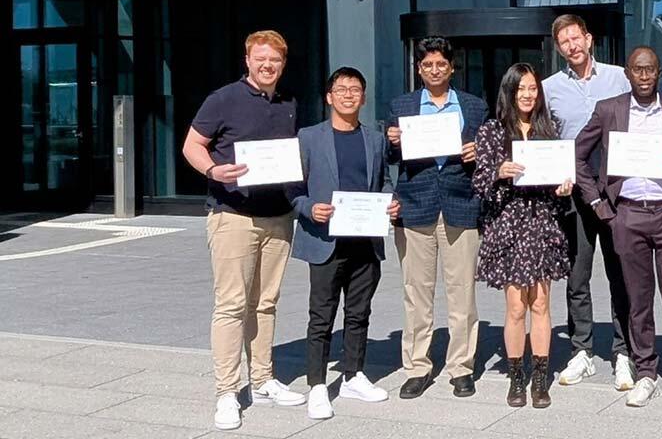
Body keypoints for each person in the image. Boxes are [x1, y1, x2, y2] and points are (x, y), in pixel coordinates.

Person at [182, 30, 307, 432]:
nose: (267, 66)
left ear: (283, 64)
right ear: (248, 60)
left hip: (277, 216)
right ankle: (226, 392)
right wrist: (213, 170)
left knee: (266, 303)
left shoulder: (288, 102)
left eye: (275, 60)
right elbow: (191, 145)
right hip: (232, 215)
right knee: (232, 305)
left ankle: (264, 378)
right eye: (261, 59)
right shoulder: (223, 99)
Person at [573, 47, 662, 408]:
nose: (644, 76)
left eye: (650, 69)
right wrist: (597, 202)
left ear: (659, 72)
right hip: (626, 213)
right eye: (637, 70)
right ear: (627, 73)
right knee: (637, 298)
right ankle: (646, 371)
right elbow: (578, 154)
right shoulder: (609, 109)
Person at [288, 67, 400, 420]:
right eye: (341, 89)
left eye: (355, 89)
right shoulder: (308, 137)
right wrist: (308, 208)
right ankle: (318, 385)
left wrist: (389, 201)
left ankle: (354, 374)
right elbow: (293, 188)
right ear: (329, 96)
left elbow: (382, 181)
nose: (349, 95)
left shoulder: (375, 139)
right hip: (325, 240)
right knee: (321, 316)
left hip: (364, 241)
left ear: (363, 97)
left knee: (359, 313)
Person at [385, 37, 488, 399]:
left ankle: (461, 367)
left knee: (462, 293)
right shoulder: (402, 105)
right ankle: (417, 367)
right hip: (416, 206)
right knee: (417, 294)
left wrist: (479, 151)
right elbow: (390, 159)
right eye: (427, 65)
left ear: (452, 67)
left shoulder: (474, 107)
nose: (434, 70)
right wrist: (392, 141)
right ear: (418, 68)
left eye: (440, 64)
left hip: (460, 205)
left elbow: (489, 155)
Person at [540, 14, 635, 390]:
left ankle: (623, 350)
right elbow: (546, 138)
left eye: (576, 38)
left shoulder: (619, 77)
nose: (572, 46)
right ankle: (582, 349)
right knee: (577, 276)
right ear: (559, 48)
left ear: (589, 38)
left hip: (616, 191)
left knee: (619, 273)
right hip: (574, 193)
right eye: (564, 42)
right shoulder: (549, 88)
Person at [474, 63, 575, 409]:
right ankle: (517, 376)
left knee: (542, 302)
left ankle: (540, 378)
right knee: (516, 306)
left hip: (543, 223)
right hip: (510, 224)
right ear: (510, 92)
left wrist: (564, 187)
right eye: (521, 89)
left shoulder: (552, 129)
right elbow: (479, 181)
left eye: (533, 88)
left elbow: (562, 177)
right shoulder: (491, 131)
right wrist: (499, 171)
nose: (528, 94)